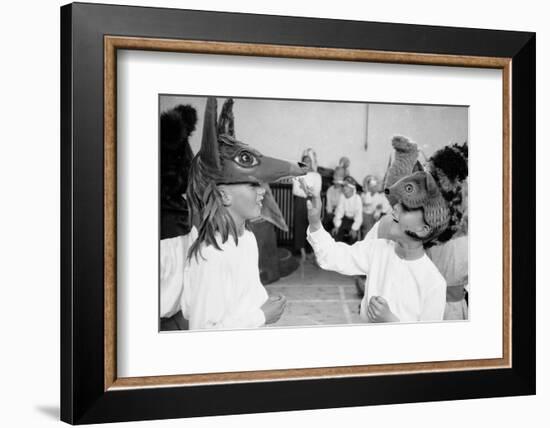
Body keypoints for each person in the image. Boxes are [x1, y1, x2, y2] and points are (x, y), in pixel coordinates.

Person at [181, 97, 307, 330]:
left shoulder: (247, 239)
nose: (263, 192)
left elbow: (247, 293)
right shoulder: (211, 255)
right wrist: (260, 316)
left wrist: (263, 303)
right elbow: (202, 332)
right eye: (253, 185)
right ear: (224, 195)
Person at [305, 171, 448, 323]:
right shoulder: (378, 249)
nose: (395, 208)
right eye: (398, 203)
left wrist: (391, 321)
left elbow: (427, 342)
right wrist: (315, 223)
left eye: (406, 208)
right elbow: (332, 255)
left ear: (422, 229)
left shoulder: (433, 283)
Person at [292, 149, 322, 261]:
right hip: (300, 202)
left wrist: (305, 189)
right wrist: (307, 190)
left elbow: (316, 191)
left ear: (312, 163)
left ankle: (312, 252)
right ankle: (302, 252)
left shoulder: (317, 176)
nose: (306, 163)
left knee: (312, 226)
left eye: (309, 161)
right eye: (304, 161)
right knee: (300, 226)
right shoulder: (297, 174)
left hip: (313, 202)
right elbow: (295, 191)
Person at [332, 176, 363, 244]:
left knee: (352, 238)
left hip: (354, 220)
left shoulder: (357, 199)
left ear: (352, 188)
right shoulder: (342, 196)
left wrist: (354, 229)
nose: (344, 188)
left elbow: (358, 216)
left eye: (346, 186)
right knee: (336, 235)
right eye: (343, 186)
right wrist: (337, 226)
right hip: (345, 218)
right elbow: (339, 211)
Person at [323, 166, 345, 231]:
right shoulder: (330, 190)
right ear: (334, 176)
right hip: (331, 215)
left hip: (341, 215)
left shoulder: (344, 191)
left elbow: (342, 207)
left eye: (341, 175)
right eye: (336, 175)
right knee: (326, 222)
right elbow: (328, 206)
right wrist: (330, 215)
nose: (338, 177)